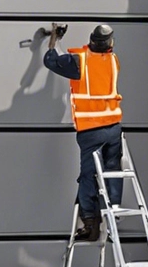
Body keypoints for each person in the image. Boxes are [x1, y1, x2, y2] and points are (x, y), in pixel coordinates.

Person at [44, 23, 122, 242]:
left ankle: (89, 222)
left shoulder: (80, 61)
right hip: (114, 127)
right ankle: (113, 212)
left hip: (91, 131)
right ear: (110, 44)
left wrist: (54, 40)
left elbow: (51, 60)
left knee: (88, 175)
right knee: (112, 169)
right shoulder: (114, 61)